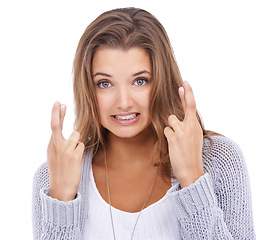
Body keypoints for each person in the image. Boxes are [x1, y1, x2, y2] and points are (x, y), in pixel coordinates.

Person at [32, 7, 256, 240]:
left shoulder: (217, 160)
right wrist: (60, 201)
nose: (124, 102)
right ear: (87, 88)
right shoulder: (53, 177)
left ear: (161, 80)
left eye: (140, 81)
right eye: (105, 83)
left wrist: (192, 180)